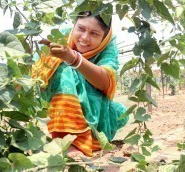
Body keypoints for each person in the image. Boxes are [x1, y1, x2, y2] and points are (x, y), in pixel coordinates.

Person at [31, 11, 129, 157]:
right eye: (81, 29)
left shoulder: (108, 47)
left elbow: (105, 82)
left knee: (68, 68)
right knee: (63, 70)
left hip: (95, 103)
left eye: (94, 34)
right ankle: (67, 140)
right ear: (74, 25)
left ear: (104, 37)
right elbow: (38, 71)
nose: (84, 38)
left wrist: (74, 59)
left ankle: (82, 137)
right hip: (55, 98)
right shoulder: (62, 37)